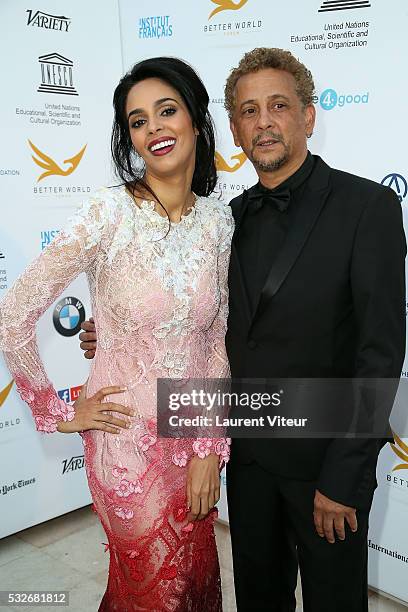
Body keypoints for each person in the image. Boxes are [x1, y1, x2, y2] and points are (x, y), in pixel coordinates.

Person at [80, 48, 406, 612]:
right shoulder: (226, 218)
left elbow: (379, 354)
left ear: (308, 115)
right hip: (248, 460)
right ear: (232, 129)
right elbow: (201, 322)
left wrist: (344, 478)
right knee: (258, 597)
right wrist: (115, 333)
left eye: (278, 106)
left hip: (324, 467)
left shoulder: (367, 206)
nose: (264, 122)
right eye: (249, 111)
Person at [0, 57, 233, 611]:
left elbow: (214, 342)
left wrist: (208, 448)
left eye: (167, 111)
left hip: (192, 435)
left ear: (196, 120)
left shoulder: (218, 222)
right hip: (125, 446)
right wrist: (60, 412)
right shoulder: (108, 212)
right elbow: (13, 316)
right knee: (157, 593)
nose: (154, 128)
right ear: (128, 137)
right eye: (137, 120)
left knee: (196, 582)